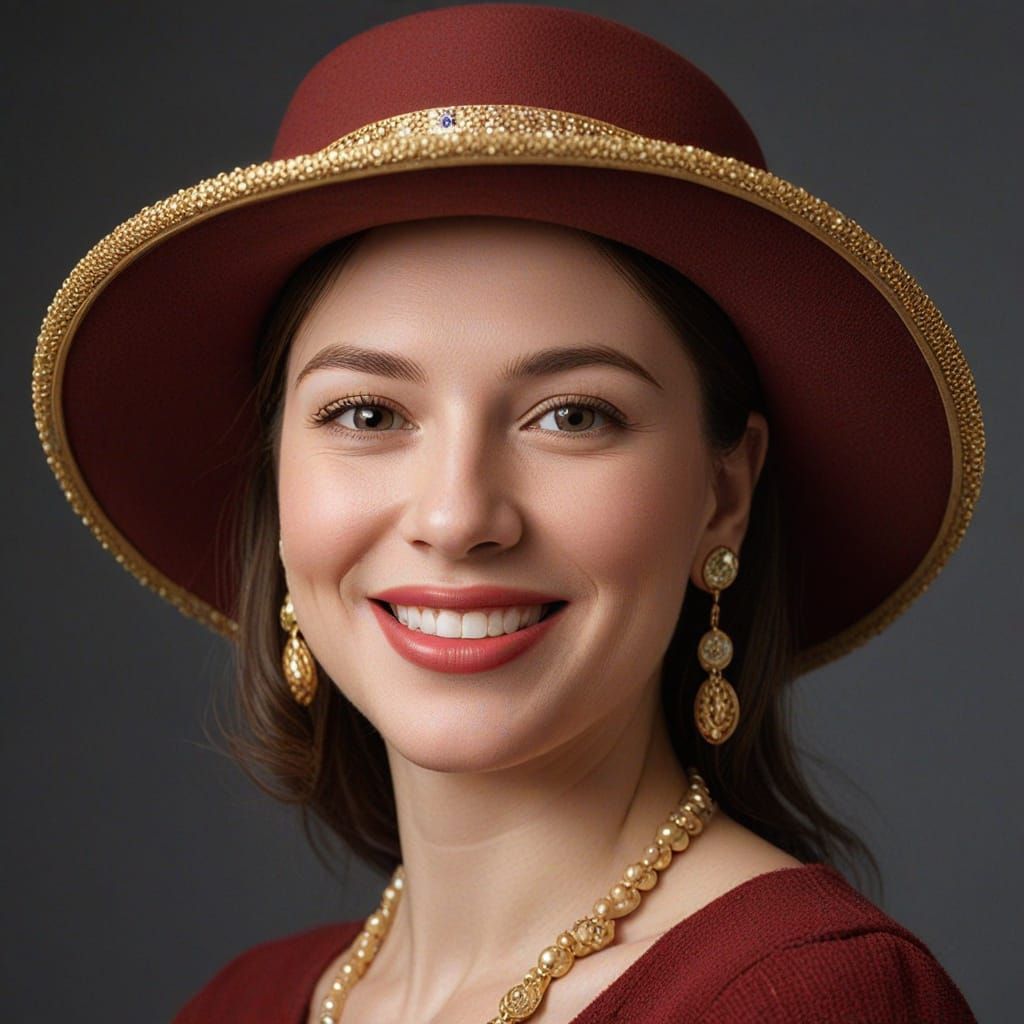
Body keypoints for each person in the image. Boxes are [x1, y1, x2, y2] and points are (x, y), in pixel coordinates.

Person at [30, 5, 984, 1022]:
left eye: (572, 415)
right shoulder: (237, 1004)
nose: (456, 516)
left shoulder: (810, 998)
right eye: (367, 413)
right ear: (275, 481)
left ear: (723, 496)